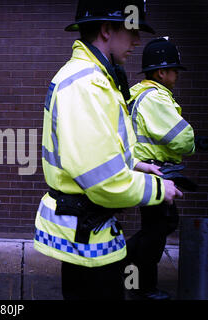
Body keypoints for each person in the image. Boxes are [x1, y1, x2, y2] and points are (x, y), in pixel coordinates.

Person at [33, 0, 183, 300]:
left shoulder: (94, 76)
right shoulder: (88, 84)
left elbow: (101, 148)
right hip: (89, 239)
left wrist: (138, 166)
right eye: (132, 31)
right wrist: (158, 189)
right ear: (106, 30)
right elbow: (104, 180)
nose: (137, 41)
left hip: (90, 232)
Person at [126, 37, 195, 300]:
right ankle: (138, 282)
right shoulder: (155, 98)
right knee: (157, 229)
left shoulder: (139, 92)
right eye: (174, 69)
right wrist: (193, 142)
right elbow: (182, 138)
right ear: (160, 72)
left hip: (146, 168)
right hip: (154, 170)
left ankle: (134, 277)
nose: (177, 74)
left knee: (158, 226)